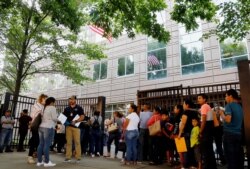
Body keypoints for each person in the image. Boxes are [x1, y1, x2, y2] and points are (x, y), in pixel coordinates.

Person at [219, 89, 244, 169]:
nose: (225, 98)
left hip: (229, 134)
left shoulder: (229, 105)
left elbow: (228, 119)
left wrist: (222, 114)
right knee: (238, 156)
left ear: (230, 96)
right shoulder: (240, 107)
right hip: (238, 134)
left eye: (226, 96)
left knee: (230, 157)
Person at [36, 97, 58, 167]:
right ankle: (47, 162)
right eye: (54, 102)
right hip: (49, 127)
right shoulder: (52, 108)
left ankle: (39, 161)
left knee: (41, 144)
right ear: (52, 102)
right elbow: (54, 118)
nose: (54, 103)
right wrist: (60, 120)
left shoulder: (44, 108)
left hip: (41, 127)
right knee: (47, 145)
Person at [197, 94, 217, 169]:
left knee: (205, 151)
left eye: (200, 98)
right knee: (210, 151)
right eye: (198, 98)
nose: (198, 100)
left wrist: (200, 131)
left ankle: (207, 167)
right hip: (209, 130)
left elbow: (203, 120)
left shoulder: (204, 106)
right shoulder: (208, 106)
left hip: (206, 130)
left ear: (204, 99)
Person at [178, 99, 198, 169]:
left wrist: (180, 134)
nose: (183, 105)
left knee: (187, 150)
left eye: (184, 104)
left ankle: (187, 165)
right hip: (194, 133)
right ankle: (194, 165)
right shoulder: (195, 112)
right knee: (193, 149)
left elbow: (183, 123)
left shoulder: (185, 112)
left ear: (187, 105)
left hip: (187, 133)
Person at [28, 94, 48, 164]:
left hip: (42, 126)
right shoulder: (36, 105)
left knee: (40, 141)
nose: (46, 100)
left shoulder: (44, 107)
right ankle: (30, 156)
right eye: (45, 99)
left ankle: (38, 154)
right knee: (35, 140)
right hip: (36, 126)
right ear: (41, 99)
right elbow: (35, 115)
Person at [63, 95, 84, 163]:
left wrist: (76, 121)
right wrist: (64, 121)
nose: (71, 101)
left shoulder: (79, 108)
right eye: (70, 99)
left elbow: (82, 117)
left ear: (75, 100)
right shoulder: (66, 109)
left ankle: (78, 158)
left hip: (76, 127)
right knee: (69, 142)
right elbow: (63, 117)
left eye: (72, 99)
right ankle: (68, 157)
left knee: (77, 142)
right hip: (68, 127)